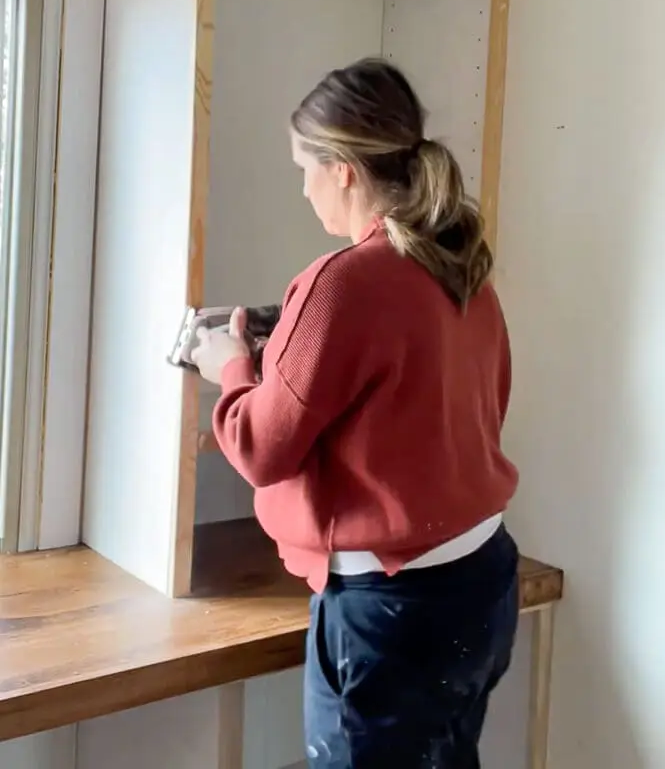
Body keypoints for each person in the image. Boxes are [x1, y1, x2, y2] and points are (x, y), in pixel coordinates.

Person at [192, 57, 519, 769]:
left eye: (303, 168)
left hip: (391, 611)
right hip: (479, 581)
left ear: (341, 168)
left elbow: (260, 449)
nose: (303, 190)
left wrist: (232, 369)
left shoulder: (340, 284)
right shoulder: (459, 265)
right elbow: (465, 399)